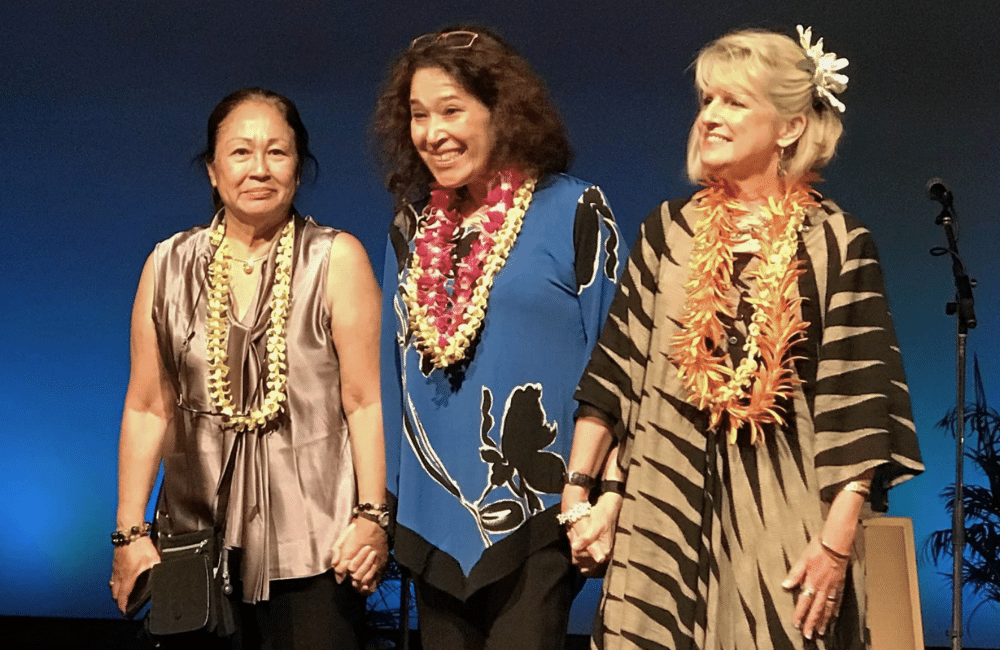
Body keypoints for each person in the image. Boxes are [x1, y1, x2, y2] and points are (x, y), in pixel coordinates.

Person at [561, 27, 924, 649]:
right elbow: (616, 374)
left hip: (784, 518)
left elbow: (861, 407)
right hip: (662, 511)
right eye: (707, 100)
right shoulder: (668, 232)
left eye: (733, 101)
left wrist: (835, 546)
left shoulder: (837, 242)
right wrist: (581, 496)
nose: (710, 117)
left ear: (790, 127)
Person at [108, 88, 389, 649]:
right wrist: (129, 533)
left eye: (276, 152)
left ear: (298, 169)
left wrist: (373, 517)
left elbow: (366, 401)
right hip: (194, 541)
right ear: (213, 171)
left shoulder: (336, 258)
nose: (259, 168)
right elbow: (147, 407)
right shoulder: (167, 264)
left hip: (318, 544)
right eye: (240, 152)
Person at [374, 27, 624, 650]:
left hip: (541, 510)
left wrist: (608, 492)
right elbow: (390, 375)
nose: (433, 133)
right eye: (419, 115)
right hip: (431, 519)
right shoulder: (411, 227)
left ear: (502, 113)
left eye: (452, 110)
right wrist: (383, 507)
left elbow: (617, 368)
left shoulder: (574, 209)